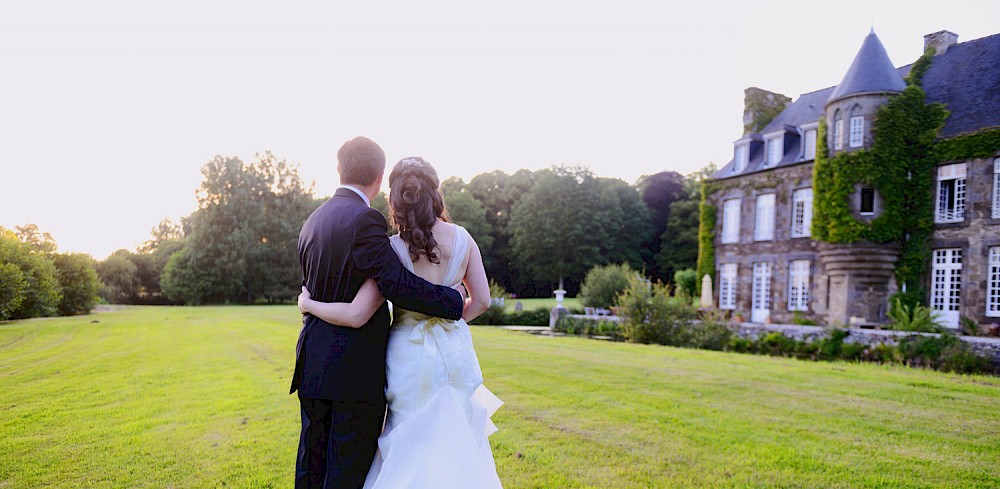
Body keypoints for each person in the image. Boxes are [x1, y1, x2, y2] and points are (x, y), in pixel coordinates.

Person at [298, 156, 503, 488]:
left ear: (396, 199)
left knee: (408, 438)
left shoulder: (393, 248)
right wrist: (449, 322)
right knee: (458, 436)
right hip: (454, 351)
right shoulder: (464, 239)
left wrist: (308, 303)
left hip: (407, 353)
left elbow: (356, 313)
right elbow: (481, 300)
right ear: (435, 194)